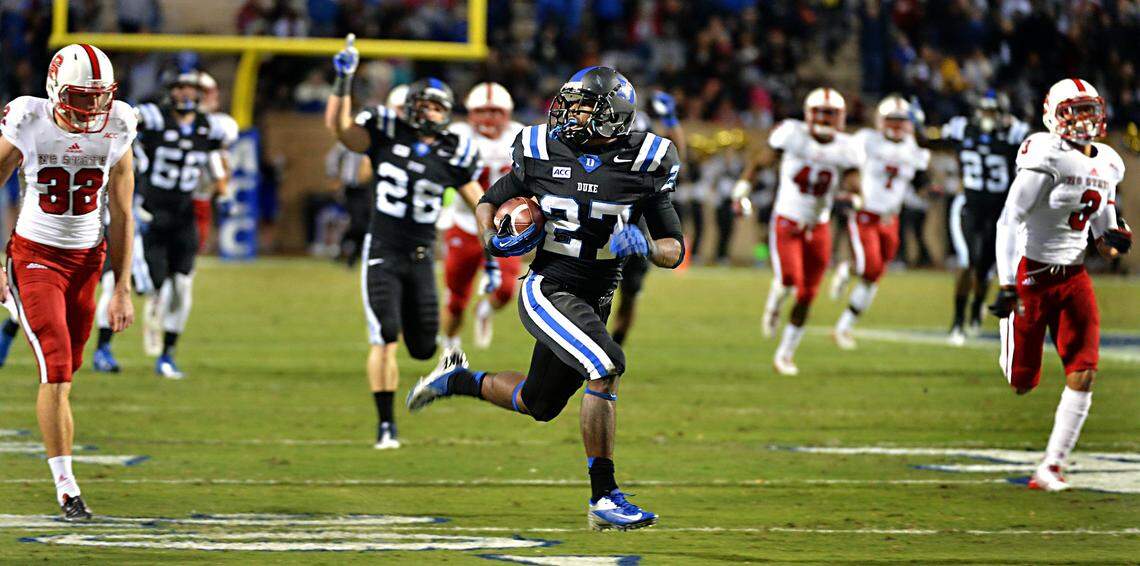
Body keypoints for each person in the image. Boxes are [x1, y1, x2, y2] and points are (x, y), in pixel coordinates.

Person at [406, 66, 683, 531]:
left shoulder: (646, 161)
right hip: (549, 287)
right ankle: (604, 496)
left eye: (583, 107)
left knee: (539, 403)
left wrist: (650, 248)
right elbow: (488, 200)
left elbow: (675, 246)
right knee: (606, 365)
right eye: (569, 104)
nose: (569, 114)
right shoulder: (540, 149)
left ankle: (457, 380)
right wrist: (491, 239)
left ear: (613, 113)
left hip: (597, 296)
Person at [325, 36, 483, 450]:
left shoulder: (454, 151)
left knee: (424, 346)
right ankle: (386, 426)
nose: (430, 113)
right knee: (385, 335)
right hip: (383, 251)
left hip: (422, 257)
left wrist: (502, 234)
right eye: (425, 105)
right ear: (410, 106)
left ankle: (434, 377)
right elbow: (341, 130)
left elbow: (479, 201)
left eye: (438, 107)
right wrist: (343, 82)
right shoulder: (386, 131)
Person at [0, 44, 137, 520]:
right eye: (82, 97)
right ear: (56, 90)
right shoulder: (28, 119)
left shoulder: (119, 123)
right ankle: (67, 488)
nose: (93, 108)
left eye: (100, 97)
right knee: (56, 365)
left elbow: (123, 212)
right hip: (35, 255)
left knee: (68, 368)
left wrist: (121, 287)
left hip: (87, 261)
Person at [990, 78, 1131, 492]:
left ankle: (1051, 466)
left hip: (1074, 277)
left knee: (1084, 371)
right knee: (1022, 382)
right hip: (1032, 277)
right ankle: (1010, 331)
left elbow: (1103, 234)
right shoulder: (1045, 154)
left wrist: (1115, 240)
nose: (1084, 120)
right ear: (1053, 115)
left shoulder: (1109, 162)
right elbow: (1008, 220)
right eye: (1074, 111)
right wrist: (1006, 284)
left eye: (1089, 110)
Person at [95, 69, 231, 378]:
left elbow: (215, 160)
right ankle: (103, 348)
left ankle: (167, 355)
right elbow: (121, 123)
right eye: (180, 88)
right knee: (119, 282)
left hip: (183, 217)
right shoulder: (153, 118)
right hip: (147, 216)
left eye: (191, 88)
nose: (185, 94)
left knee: (182, 286)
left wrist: (222, 190)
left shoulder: (209, 127)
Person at [733, 88, 862, 375]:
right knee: (790, 280)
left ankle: (785, 354)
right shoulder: (792, 134)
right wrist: (742, 189)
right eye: (821, 112)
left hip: (820, 226)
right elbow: (760, 161)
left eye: (831, 114)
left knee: (807, 295)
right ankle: (776, 299)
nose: (825, 119)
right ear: (808, 114)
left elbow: (855, 184)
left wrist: (854, 199)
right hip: (788, 220)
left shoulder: (848, 147)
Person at [830, 95, 931, 349]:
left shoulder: (915, 148)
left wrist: (928, 190)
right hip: (865, 214)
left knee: (873, 276)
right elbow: (844, 163)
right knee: (872, 268)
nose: (896, 125)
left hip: (891, 218)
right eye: (891, 119)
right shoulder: (866, 140)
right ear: (880, 120)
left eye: (901, 120)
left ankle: (844, 324)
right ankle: (845, 314)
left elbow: (920, 180)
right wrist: (848, 189)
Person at [930, 90, 1030, 345]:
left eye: (992, 112)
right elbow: (933, 139)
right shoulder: (963, 129)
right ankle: (957, 321)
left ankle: (976, 309)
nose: (987, 116)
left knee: (986, 269)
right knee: (967, 262)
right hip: (968, 207)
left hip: (999, 213)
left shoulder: (1015, 135)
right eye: (984, 111)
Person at [439, 82, 523, 354]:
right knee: (456, 298)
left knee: (506, 291)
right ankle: (450, 347)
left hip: (505, 227)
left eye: (495, 111)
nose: (489, 118)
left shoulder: (521, 136)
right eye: (482, 111)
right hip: (465, 224)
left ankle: (484, 309)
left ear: (507, 113)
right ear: (470, 113)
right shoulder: (457, 136)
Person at [610, 90, 685, 346]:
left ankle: (614, 348)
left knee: (629, 293)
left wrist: (671, 120)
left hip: (635, 218)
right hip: (598, 213)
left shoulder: (642, 124)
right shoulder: (597, 127)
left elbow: (674, 157)